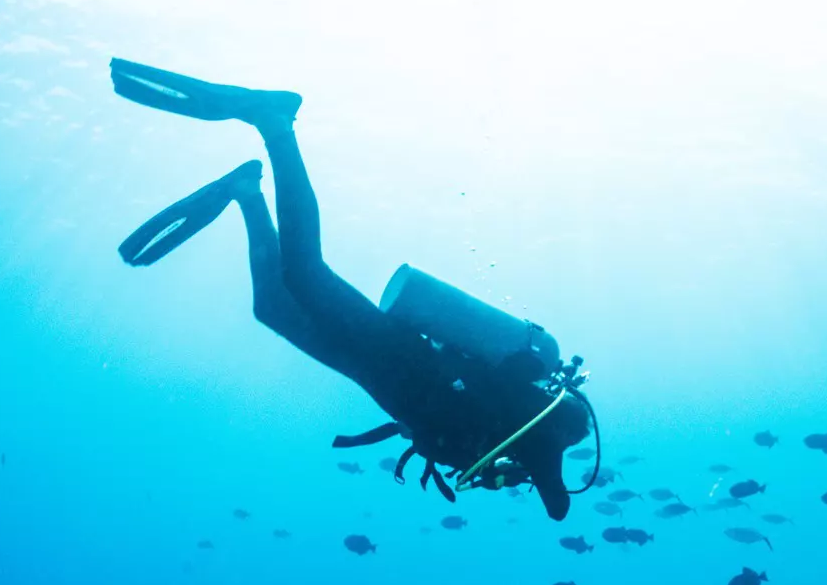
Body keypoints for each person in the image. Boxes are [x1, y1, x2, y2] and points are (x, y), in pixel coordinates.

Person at [109, 59, 591, 519]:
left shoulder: (522, 426)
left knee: (272, 307)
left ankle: (248, 190)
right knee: (305, 274)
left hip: (380, 375)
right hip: (401, 361)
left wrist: (498, 467)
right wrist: (515, 471)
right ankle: (277, 124)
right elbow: (558, 507)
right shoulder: (541, 438)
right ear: (562, 424)